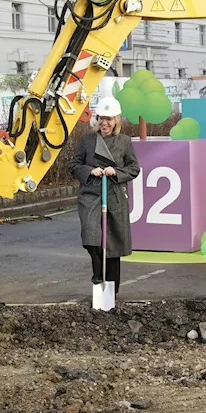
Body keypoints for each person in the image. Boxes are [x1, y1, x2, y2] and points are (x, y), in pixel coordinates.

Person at [69, 98, 139, 294]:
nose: (104, 123)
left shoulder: (124, 142)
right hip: (91, 195)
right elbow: (73, 166)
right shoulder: (87, 141)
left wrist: (115, 172)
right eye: (101, 119)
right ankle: (98, 275)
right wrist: (90, 171)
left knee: (113, 243)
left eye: (108, 119)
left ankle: (111, 290)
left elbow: (134, 169)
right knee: (91, 238)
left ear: (116, 120)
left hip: (114, 196)